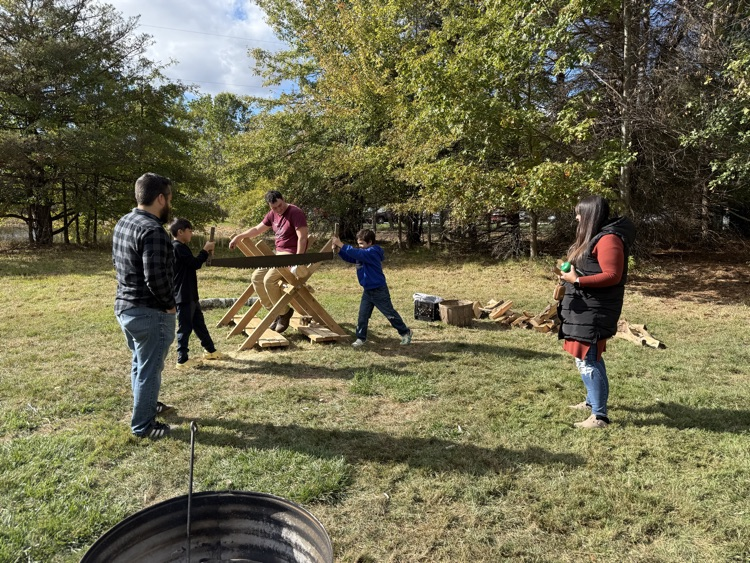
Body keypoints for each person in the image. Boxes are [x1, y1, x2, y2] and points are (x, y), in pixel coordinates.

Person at [557, 195, 636, 429]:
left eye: (580, 213)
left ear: (591, 214)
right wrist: (572, 274)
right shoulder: (595, 237)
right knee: (584, 356)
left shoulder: (609, 239)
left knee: (589, 359)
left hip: (596, 310)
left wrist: (577, 281)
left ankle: (599, 416)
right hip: (584, 308)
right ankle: (591, 402)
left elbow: (612, 275)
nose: (577, 217)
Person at [112, 173, 176, 440]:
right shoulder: (153, 231)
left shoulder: (124, 222)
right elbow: (156, 278)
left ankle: (147, 404)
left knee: (140, 362)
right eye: (169, 198)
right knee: (150, 369)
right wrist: (170, 306)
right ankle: (143, 426)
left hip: (125, 307)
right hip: (150, 313)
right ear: (160, 198)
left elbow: (117, 263)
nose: (170, 204)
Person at [228, 190, 308, 333]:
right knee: (256, 278)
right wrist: (239, 236)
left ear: (283, 198)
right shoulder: (273, 214)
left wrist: (298, 260)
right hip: (278, 255)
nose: (278, 209)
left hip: (290, 256)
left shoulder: (296, 212)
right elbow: (257, 229)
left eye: (280, 205)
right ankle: (276, 312)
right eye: (274, 208)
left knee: (268, 280)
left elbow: (302, 238)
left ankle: (284, 313)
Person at [331, 229, 412, 348]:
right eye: (358, 244)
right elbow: (351, 257)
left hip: (379, 290)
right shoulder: (362, 253)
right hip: (368, 291)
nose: (360, 246)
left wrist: (341, 244)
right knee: (362, 316)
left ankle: (405, 332)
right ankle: (361, 338)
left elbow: (358, 254)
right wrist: (339, 251)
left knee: (390, 314)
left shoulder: (372, 252)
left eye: (362, 244)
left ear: (370, 242)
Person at [170, 218, 226, 369]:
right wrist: (205, 250)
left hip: (191, 295)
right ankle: (182, 360)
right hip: (183, 296)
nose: (191, 233)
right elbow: (195, 264)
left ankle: (210, 350)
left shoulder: (182, 247)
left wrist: (205, 252)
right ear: (180, 232)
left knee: (199, 325)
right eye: (189, 231)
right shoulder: (177, 247)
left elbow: (192, 263)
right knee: (185, 328)